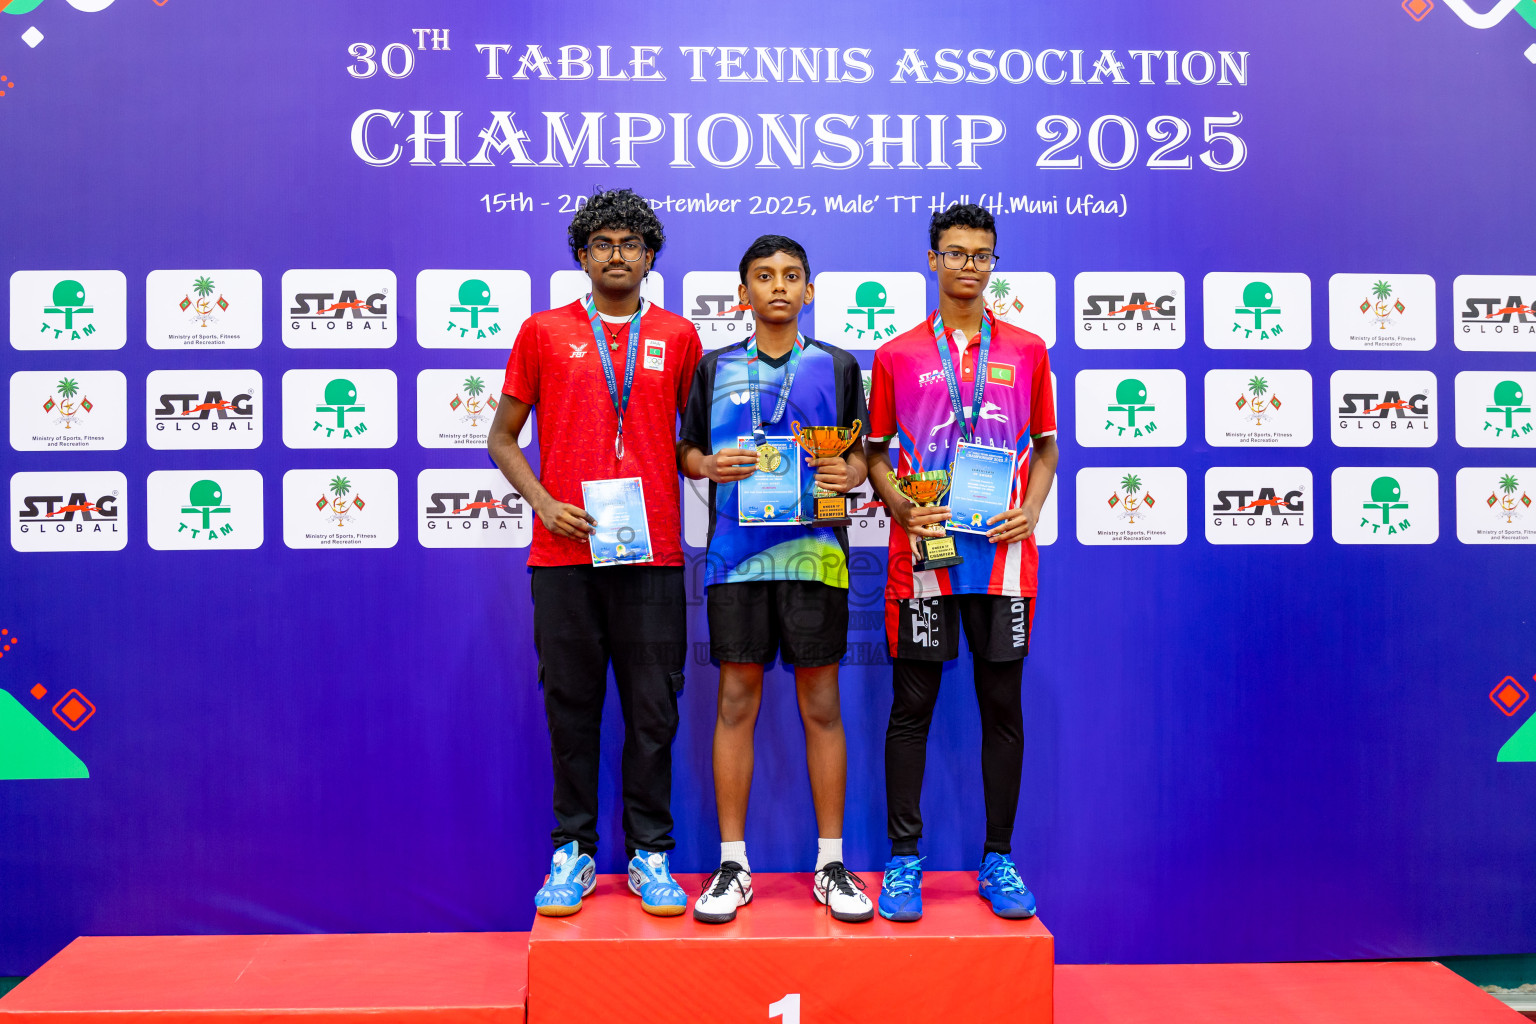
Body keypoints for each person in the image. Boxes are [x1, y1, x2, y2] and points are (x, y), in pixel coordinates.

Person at [487, 188, 702, 918]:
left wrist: (721, 464)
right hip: (563, 555)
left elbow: (688, 444)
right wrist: (545, 502)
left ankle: (651, 855)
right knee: (571, 710)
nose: (617, 254)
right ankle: (572, 852)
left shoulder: (678, 337)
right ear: (582, 255)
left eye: (631, 244)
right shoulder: (543, 332)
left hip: (653, 556)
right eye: (603, 243)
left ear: (650, 258)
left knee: (653, 712)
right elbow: (502, 438)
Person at [864, 204, 1059, 921]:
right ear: (933, 259)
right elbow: (876, 454)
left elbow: (1045, 449)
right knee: (912, 708)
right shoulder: (896, 354)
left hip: (1004, 561)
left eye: (983, 255)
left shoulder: (1030, 349)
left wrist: (1032, 511)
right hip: (925, 560)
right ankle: (904, 860)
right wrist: (899, 505)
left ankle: (998, 860)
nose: (970, 265)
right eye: (957, 252)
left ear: (992, 263)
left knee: (1001, 709)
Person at [677, 234, 873, 924]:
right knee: (736, 699)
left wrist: (849, 476)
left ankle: (830, 864)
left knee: (822, 704)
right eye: (764, 277)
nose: (779, 287)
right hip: (735, 556)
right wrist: (705, 466)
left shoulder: (840, 367)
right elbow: (687, 450)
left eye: (792, 276)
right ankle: (734, 862)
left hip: (817, 556)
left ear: (810, 291)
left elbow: (859, 462)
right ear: (744, 294)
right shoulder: (712, 368)